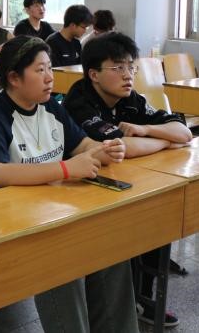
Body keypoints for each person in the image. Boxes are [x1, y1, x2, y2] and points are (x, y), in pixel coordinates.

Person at [0, 35, 138, 333]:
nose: (50, 77)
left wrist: (102, 150)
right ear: (14, 78)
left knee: (110, 248)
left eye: (50, 68)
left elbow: (81, 145)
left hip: (38, 211)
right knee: (61, 259)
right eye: (40, 70)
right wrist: (66, 169)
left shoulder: (50, 107)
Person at [63, 32, 192, 328]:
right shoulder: (79, 101)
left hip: (128, 180)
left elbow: (184, 132)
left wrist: (146, 131)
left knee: (158, 217)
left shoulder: (131, 98)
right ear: (93, 74)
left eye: (131, 67)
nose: (128, 75)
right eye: (118, 67)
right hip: (83, 190)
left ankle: (143, 298)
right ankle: (124, 301)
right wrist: (164, 140)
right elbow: (119, 148)